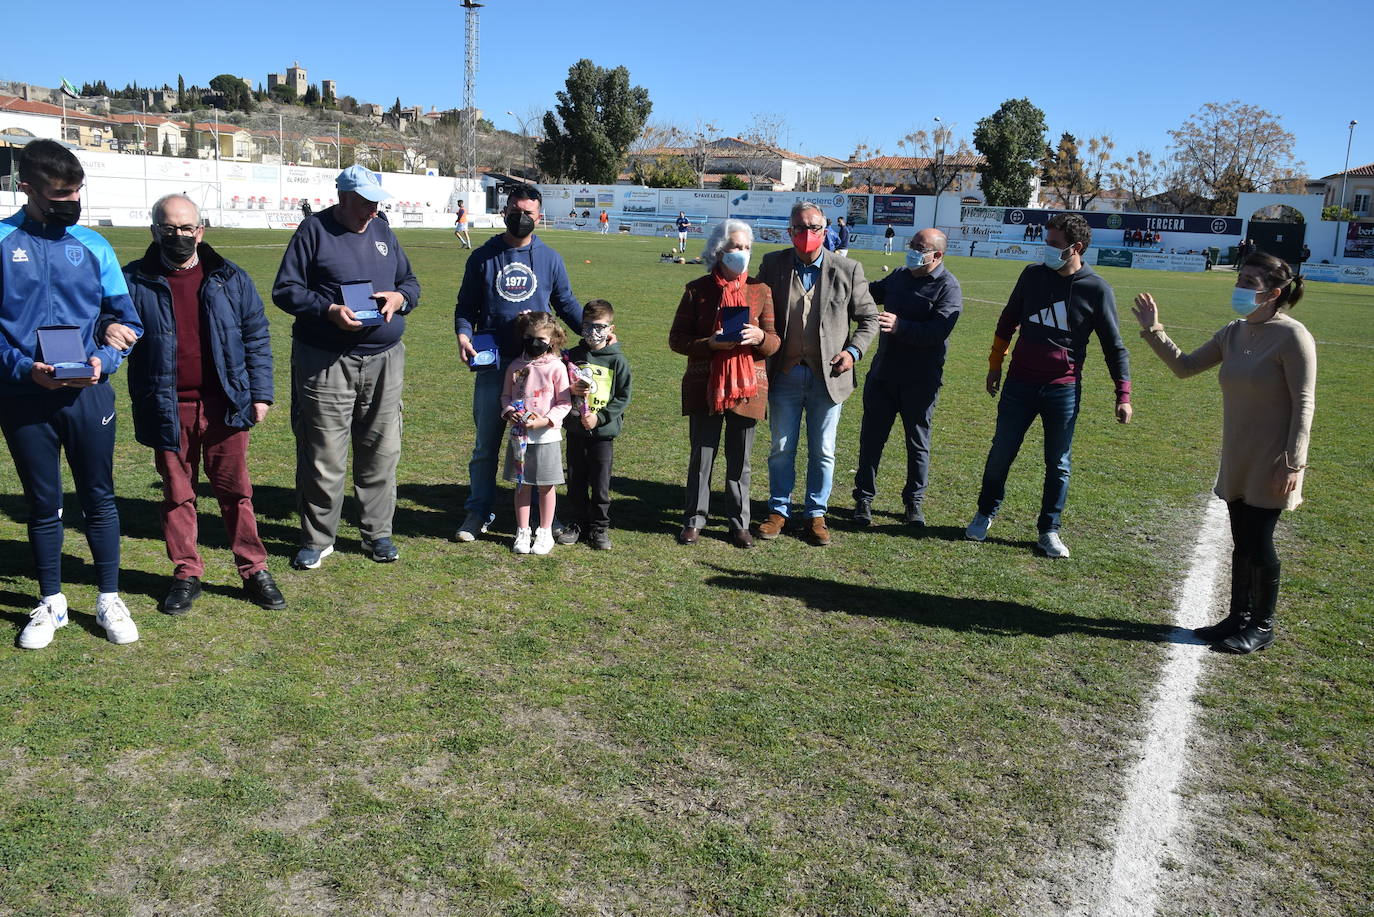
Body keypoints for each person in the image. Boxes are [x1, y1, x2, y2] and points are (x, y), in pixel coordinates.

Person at [1131, 252, 1315, 654]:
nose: (1240, 287)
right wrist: (1153, 329)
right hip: (1237, 455)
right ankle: (1239, 617)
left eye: (1250, 281)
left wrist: (1293, 461)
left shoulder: (1293, 336)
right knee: (1241, 540)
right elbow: (1185, 367)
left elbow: (1304, 402)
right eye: (1240, 279)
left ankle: (1262, 626)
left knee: (1259, 539)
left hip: (1273, 459)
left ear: (1274, 293)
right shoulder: (1233, 332)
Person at [1, 139, 143, 649]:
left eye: (78, 191)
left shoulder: (93, 245)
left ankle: (108, 597)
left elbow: (126, 319)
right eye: (61, 193)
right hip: (24, 396)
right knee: (43, 503)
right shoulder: (0, 241)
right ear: (28, 188)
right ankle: (52, 602)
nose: (72, 201)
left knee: (99, 498)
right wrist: (23, 368)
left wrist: (106, 358)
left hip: (88, 394)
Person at [115, 194, 285, 615]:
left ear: (200, 230)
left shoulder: (229, 277)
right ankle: (187, 572)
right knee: (177, 495)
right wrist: (109, 326)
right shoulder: (133, 280)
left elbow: (256, 336)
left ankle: (254, 569)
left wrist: (261, 393)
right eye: (169, 228)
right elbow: (107, 320)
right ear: (154, 230)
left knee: (236, 493)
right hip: (167, 406)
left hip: (225, 404)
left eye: (186, 228)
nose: (178, 235)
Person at [272, 164, 420, 570]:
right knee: (324, 452)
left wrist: (398, 299)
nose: (372, 210)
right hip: (325, 360)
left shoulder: (383, 231)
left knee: (381, 450)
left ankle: (378, 534)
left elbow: (411, 283)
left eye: (376, 203)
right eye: (365, 203)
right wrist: (328, 310)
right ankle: (318, 538)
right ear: (342, 196)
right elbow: (285, 291)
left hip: (385, 360)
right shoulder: (312, 232)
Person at [966, 212, 1132, 558]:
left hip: (1063, 389)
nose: (1047, 250)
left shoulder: (1096, 289)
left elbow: (1113, 345)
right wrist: (996, 364)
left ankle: (1049, 530)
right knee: (1001, 453)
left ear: (1077, 248)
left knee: (1058, 463)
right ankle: (985, 513)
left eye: (1055, 245)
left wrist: (1123, 394)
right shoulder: (1032, 276)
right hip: (1019, 384)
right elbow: (1008, 320)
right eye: (1046, 242)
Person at [454, 184, 582, 541]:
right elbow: (465, 307)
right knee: (486, 445)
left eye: (529, 212)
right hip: (494, 365)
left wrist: (592, 333)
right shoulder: (482, 257)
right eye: (516, 210)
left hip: (541, 370)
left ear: (539, 216)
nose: (521, 217)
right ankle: (477, 511)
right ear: (504, 210)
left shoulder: (550, 258)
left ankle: (544, 519)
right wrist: (463, 334)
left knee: (542, 446)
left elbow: (567, 302)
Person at [756, 201, 880, 546]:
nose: (807, 234)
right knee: (781, 447)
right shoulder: (773, 264)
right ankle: (779, 510)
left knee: (823, 450)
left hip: (830, 376)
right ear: (789, 231)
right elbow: (755, 310)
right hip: (785, 373)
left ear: (825, 230)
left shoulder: (848, 269)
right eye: (799, 228)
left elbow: (869, 319)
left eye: (814, 227)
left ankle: (815, 513)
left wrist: (853, 352)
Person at [669, 219, 780, 549]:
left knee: (740, 461)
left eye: (747, 248)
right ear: (719, 251)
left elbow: (774, 342)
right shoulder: (697, 289)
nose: (742, 254)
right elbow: (677, 339)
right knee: (702, 457)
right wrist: (710, 344)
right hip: (706, 384)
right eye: (735, 247)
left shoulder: (761, 290)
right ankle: (694, 519)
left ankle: (739, 523)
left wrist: (760, 337)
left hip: (748, 387)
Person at [852, 229, 962, 529]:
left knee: (917, 443)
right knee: (871, 440)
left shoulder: (948, 288)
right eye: (912, 244)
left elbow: (938, 332)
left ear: (937, 255)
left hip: (921, 381)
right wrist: (844, 279)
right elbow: (868, 293)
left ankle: (914, 504)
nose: (912, 250)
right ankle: (863, 499)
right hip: (883, 375)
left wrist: (901, 325)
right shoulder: (900, 275)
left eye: (919, 247)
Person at [557, 299, 632, 550]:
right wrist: (570, 391)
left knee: (600, 484)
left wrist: (599, 418)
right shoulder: (573, 356)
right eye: (588, 326)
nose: (593, 332)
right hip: (577, 430)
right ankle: (578, 522)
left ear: (611, 328)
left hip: (602, 434)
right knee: (576, 480)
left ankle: (599, 528)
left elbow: (623, 396)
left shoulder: (617, 360)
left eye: (600, 327)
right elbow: (559, 386)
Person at [501, 312, 572, 555]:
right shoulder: (515, 366)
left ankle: (544, 530)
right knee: (522, 485)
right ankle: (522, 531)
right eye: (529, 337)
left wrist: (545, 421)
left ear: (552, 340)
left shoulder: (557, 367)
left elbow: (564, 402)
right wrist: (510, 411)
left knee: (545, 485)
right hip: (519, 437)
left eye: (540, 338)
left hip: (546, 437)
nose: (534, 342)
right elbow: (506, 396)